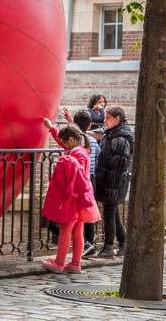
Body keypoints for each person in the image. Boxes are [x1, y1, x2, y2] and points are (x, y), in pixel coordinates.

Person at [39, 121, 100, 274]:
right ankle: (75, 263)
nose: (64, 145)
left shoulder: (77, 154)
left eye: (65, 141)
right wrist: (52, 129)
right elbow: (64, 145)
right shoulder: (83, 150)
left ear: (71, 140)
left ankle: (59, 263)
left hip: (73, 198)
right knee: (78, 231)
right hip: (82, 198)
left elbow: (73, 173)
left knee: (66, 230)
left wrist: (59, 166)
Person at [92, 106, 132, 258]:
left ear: (117, 119)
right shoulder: (111, 134)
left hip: (113, 181)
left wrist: (109, 180)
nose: (105, 120)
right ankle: (123, 242)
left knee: (109, 213)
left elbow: (118, 164)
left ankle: (108, 246)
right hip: (108, 179)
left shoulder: (120, 139)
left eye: (108, 118)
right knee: (112, 213)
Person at [63, 106, 101, 256]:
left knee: (77, 213)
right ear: (90, 126)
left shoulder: (75, 144)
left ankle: (84, 243)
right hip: (91, 178)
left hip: (79, 180)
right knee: (88, 211)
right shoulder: (90, 140)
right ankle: (89, 242)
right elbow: (98, 153)